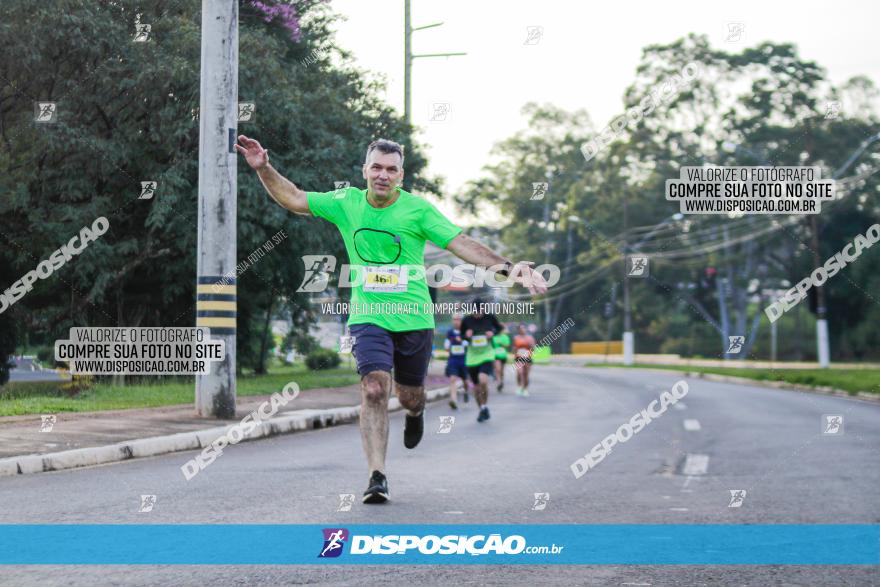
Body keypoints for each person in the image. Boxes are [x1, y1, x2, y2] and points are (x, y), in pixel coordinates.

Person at [235, 135, 547, 504]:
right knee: (374, 387)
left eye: (391, 169)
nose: (383, 175)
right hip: (368, 314)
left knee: (410, 396)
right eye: (377, 167)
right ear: (365, 170)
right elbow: (295, 198)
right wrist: (264, 168)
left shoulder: (418, 211)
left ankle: (415, 413)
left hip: (413, 317)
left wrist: (510, 270)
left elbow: (462, 244)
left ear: (401, 175)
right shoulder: (346, 202)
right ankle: (377, 475)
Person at [460, 300, 503, 422]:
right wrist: (466, 336)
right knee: (476, 387)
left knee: (483, 380)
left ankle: (484, 407)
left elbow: (499, 328)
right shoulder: (467, 320)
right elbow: (461, 335)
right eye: (474, 311)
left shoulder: (490, 318)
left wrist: (492, 333)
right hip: (472, 356)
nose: (476, 314)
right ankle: (483, 408)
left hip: (486, 354)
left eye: (479, 311)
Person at [443, 314, 469, 409]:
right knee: (452, 379)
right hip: (453, 360)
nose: (456, 321)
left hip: (464, 361)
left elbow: (469, 344)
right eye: (454, 319)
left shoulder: (465, 332)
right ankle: (453, 400)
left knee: (465, 381)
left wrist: (462, 341)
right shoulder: (450, 332)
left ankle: (466, 392)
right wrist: (447, 346)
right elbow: (447, 344)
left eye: (458, 319)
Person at [513, 324, 537, 396]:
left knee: (526, 374)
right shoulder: (516, 337)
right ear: (518, 330)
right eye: (521, 329)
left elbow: (534, 348)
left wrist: (531, 346)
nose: (522, 330)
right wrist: (515, 353)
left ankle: (525, 389)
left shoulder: (530, 337)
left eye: (524, 328)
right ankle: (519, 387)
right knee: (519, 373)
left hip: (527, 358)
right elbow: (514, 348)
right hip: (519, 357)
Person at [492, 324, 511, 393]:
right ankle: (499, 382)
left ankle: (501, 381)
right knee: (498, 370)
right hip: (496, 356)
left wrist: (502, 344)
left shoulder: (505, 337)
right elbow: (491, 346)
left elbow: (508, 345)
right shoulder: (493, 337)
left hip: (503, 356)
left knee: (502, 371)